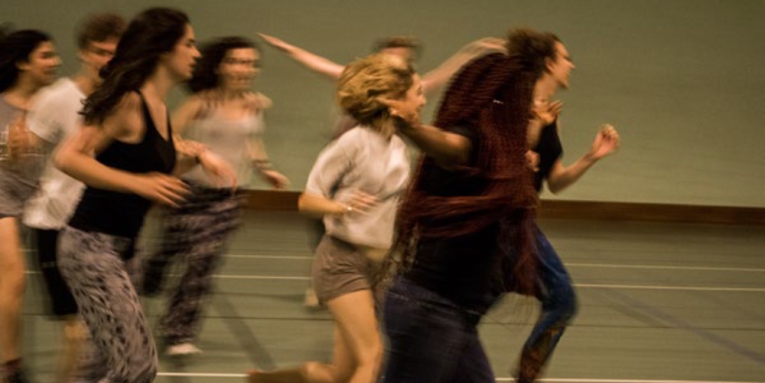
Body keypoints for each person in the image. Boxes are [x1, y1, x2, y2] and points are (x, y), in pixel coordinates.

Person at [54, 7, 234, 383]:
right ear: (164, 50)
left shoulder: (159, 108)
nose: (196, 53)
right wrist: (137, 183)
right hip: (90, 246)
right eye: (189, 43)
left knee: (96, 367)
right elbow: (67, 157)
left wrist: (197, 158)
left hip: (126, 249)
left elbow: (155, 171)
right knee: (137, 367)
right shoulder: (128, 101)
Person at [377, 28, 565, 382]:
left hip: (454, 313)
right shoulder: (472, 139)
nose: (528, 105)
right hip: (429, 312)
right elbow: (447, 146)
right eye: (522, 100)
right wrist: (410, 128)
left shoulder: (501, 153)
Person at [248, 53, 424, 383]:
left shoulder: (398, 146)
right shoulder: (353, 142)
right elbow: (307, 201)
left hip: (380, 267)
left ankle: (267, 380)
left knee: (341, 373)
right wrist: (341, 207)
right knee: (372, 358)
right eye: (417, 92)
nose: (423, 99)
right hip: (342, 262)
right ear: (392, 101)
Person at [140, 36, 289, 356]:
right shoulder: (201, 102)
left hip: (227, 198)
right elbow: (167, 137)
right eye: (236, 61)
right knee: (168, 251)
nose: (244, 69)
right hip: (189, 194)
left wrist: (265, 168)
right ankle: (153, 271)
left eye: (250, 63)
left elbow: (251, 140)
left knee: (202, 261)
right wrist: (194, 150)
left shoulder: (254, 103)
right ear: (220, 66)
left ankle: (178, 331)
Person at [21, 13, 126, 382]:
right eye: (99, 51)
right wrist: (14, 153)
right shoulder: (57, 98)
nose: (106, 60)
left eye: (115, 53)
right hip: (55, 225)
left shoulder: (128, 102)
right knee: (79, 332)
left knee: (106, 334)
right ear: (83, 53)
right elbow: (25, 152)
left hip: (103, 231)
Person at [510, 38, 620, 383]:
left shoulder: (551, 113)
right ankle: (526, 376)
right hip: (506, 219)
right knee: (563, 298)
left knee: (474, 303)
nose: (571, 64)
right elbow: (505, 157)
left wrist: (591, 157)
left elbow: (554, 181)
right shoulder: (515, 103)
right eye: (565, 58)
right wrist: (536, 125)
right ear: (547, 63)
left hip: (522, 218)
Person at [0, 27, 60, 383]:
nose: (55, 62)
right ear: (23, 63)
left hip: (42, 198)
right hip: (2, 196)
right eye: (46, 56)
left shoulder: (54, 102)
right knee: (16, 279)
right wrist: (9, 149)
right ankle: (12, 367)